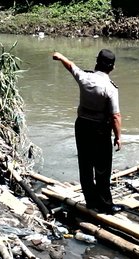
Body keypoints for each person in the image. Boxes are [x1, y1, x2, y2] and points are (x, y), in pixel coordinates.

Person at [52, 49, 123, 214]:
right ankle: (105, 205)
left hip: (82, 126)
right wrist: (118, 137)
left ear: (96, 62)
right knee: (102, 168)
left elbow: (71, 66)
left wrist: (60, 55)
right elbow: (115, 116)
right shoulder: (110, 88)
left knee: (85, 165)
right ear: (112, 67)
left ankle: (91, 202)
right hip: (100, 129)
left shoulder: (84, 77)